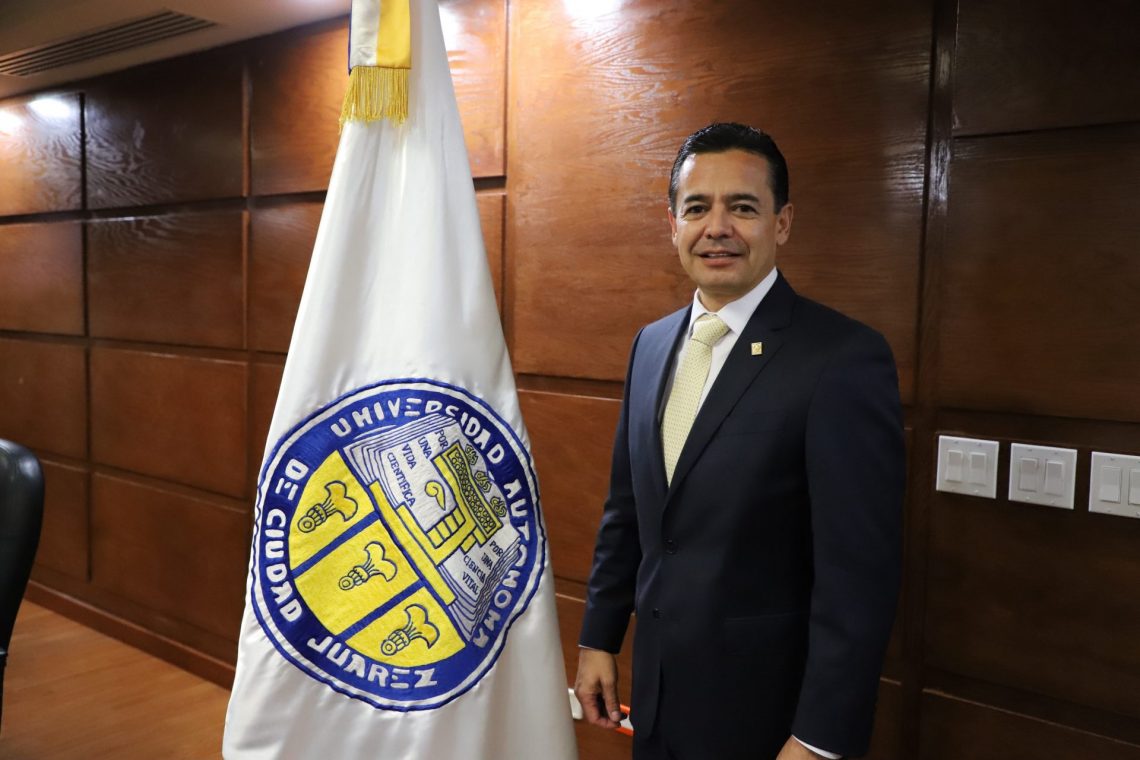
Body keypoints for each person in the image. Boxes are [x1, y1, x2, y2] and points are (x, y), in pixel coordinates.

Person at [574, 123, 905, 760]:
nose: (717, 228)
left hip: (767, 720)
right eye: (697, 207)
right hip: (658, 700)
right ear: (672, 223)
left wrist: (818, 739)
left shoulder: (841, 358)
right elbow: (628, 511)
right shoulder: (651, 345)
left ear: (782, 223)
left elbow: (859, 577)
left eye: (743, 208)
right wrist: (599, 638)